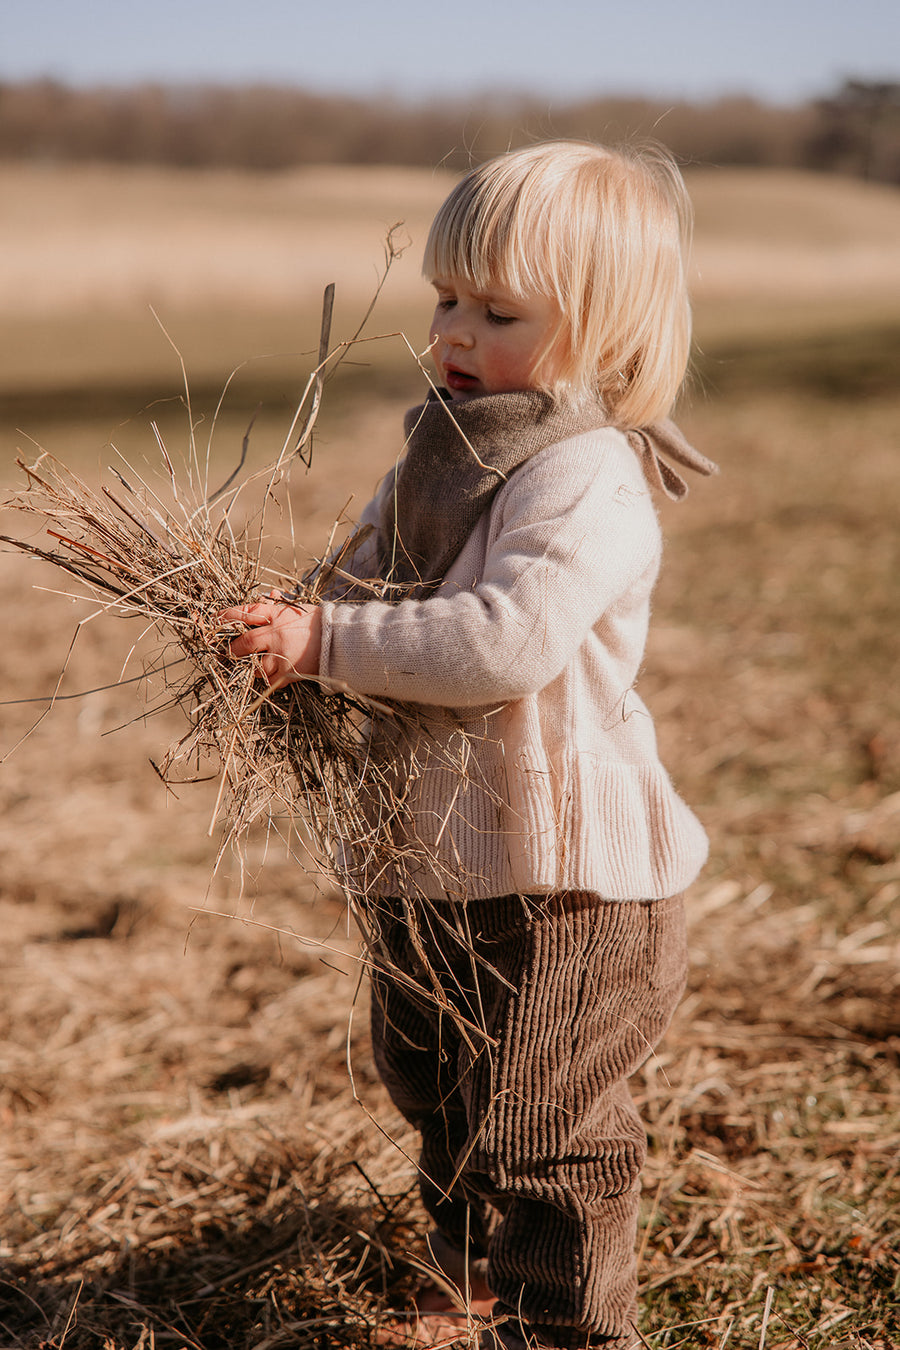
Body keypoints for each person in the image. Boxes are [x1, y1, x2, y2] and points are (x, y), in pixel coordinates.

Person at [221, 140, 717, 1350]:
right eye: (446, 299)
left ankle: (566, 1329)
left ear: (603, 333)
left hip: (564, 881)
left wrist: (328, 643)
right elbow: (362, 582)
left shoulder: (585, 474)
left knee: (544, 1120)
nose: (454, 330)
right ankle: (468, 1275)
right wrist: (277, 625)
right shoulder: (438, 448)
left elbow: (503, 643)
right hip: (428, 851)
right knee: (438, 1091)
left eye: (500, 311)